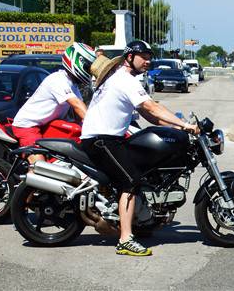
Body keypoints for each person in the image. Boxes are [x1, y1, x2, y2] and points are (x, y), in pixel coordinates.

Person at [81, 40, 199, 256]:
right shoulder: (125, 80)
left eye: (149, 57)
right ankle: (125, 239)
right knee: (131, 180)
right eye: (143, 56)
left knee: (142, 171)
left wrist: (178, 128)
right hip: (102, 140)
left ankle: (140, 221)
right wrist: (184, 124)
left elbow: (148, 115)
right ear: (129, 58)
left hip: (109, 139)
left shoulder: (119, 78)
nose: (148, 61)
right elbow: (151, 106)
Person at [12, 42, 96, 164]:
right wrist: (94, 125)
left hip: (47, 124)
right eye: (88, 67)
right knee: (40, 165)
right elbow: (77, 105)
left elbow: (79, 114)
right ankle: (33, 178)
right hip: (28, 126)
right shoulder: (58, 80)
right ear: (78, 61)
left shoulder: (73, 85)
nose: (89, 71)